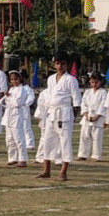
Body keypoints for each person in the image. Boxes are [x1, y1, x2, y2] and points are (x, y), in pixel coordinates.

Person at [38, 52, 80, 182]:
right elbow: (50, 97)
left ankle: (63, 171)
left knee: (65, 142)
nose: (60, 66)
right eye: (57, 63)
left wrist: (73, 117)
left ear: (67, 65)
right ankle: (46, 170)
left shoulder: (71, 79)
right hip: (52, 113)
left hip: (65, 113)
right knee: (47, 141)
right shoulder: (51, 79)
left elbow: (77, 100)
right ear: (54, 64)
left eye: (62, 64)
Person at [1, 69, 34, 168]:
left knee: (19, 138)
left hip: (17, 115)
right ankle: (12, 158)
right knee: (9, 138)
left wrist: (9, 97)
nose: (14, 81)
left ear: (19, 79)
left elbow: (17, 103)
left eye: (16, 79)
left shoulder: (22, 90)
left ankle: (23, 159)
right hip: (9, 115)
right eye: (12, 80)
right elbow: (5, 103)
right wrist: (7, 97)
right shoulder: (11, 90)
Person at [77, 74, 107, 161]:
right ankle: (83, 154)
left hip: (98, 117)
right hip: (87, 117)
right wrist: (86, 114)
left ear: (100, 82)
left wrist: (97, 115)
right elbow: (83, 103)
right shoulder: (87, 92)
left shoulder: (103, 92)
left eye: (96, 82)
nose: (94, 84)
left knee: (96, 137)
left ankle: (96, 155)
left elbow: (104, 105)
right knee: (84, 136)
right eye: (92, 82)